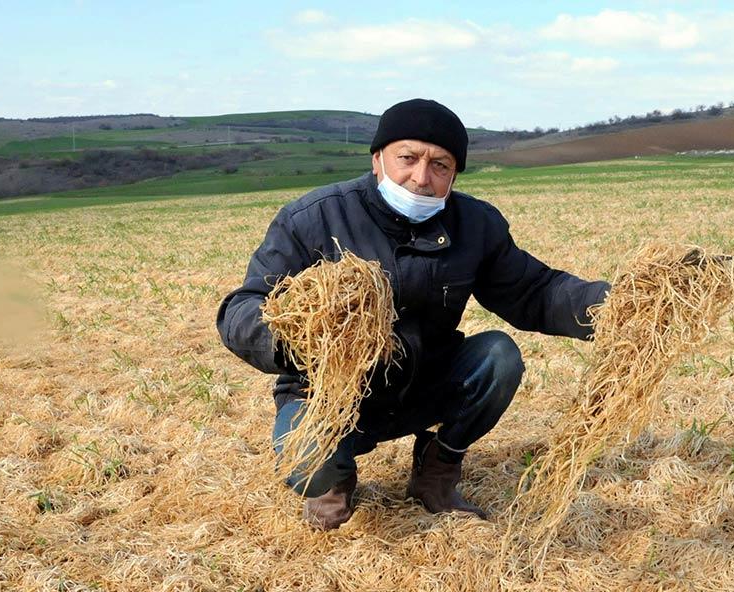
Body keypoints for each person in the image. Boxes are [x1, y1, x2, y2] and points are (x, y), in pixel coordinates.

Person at [216, 99, 609, 530]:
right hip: (332, 394)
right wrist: (304, 333)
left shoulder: (474, 224)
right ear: (378, 159)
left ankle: (436, 471)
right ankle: (336, 481)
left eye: (440, 165)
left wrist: (617, 307)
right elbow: (242, 308)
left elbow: (535, 289)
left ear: (454, 174)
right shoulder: (314, 218)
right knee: (307, 460)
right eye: (408, 158)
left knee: (498, 356)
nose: (421, 178)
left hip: (425, 381)